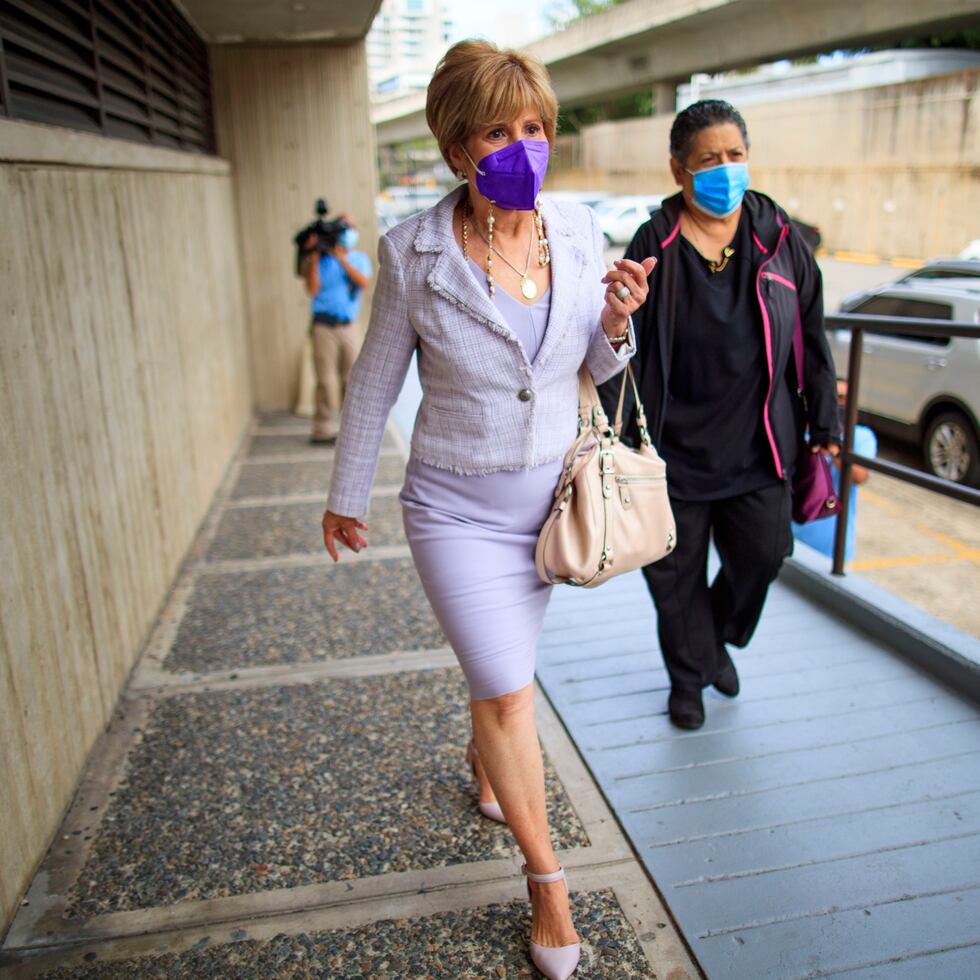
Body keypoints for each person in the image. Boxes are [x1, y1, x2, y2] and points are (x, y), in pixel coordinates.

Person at [320, 39, 655, 980]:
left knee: (499, 674)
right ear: (458, 146)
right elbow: (375, 385)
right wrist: (348, 495)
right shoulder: (412, 252)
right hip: (453, 511)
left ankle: (485, 763)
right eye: (499, 130)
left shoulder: (579, 230)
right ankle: (548, 886)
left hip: (549, 507)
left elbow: (594, 365)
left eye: (536, 127)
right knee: (509, 691)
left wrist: (619, 323)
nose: (524, 146)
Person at [608, 99, 839, 731]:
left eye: (735, 156)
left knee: (764, 555)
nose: (726, 169)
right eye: (709, 159)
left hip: (761, 446)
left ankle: (714, 644)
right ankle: (688, 681)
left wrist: (827, 428)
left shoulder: (779, 237)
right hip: (671, 451)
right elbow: (618, 340)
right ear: (679, 169)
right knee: (673, 576)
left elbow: (812, 335)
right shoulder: (657, 240)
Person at [304, 215, 372, 443]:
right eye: (345, 227)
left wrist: (342, 260)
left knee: (352, 379)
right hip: (323, 326)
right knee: (325, 380)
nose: (349, 232)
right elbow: (312, 289)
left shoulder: (359, 258)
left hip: (348, 326)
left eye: (352, 227)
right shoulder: (320, 260)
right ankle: (322, 429)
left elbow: (363, 282)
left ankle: (351, 430)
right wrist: (313, 256)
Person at [793, 379, 877, 561]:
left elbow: (859, 476)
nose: (840, 404)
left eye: (846, 399)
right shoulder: (799, 431)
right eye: (835, 397)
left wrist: (832, 443)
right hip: (794, 538)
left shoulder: (861, 437)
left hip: (832, 550)